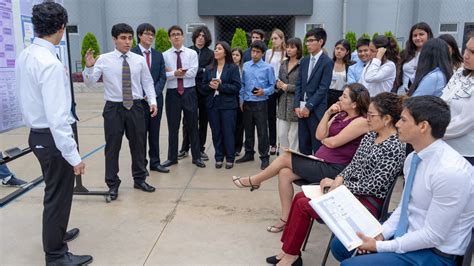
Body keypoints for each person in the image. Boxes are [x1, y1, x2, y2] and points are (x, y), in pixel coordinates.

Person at [264, 92, 405, 266]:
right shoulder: (370, 136)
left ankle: (291, 256)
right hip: (348, 192)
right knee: (300, 197)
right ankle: (287, 251)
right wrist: (339, 178)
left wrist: (341, 184)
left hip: (366, 203)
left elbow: (374, 185)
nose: (367, 118)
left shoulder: (395, 146)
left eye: (371, 115)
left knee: (303, 204)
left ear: (387, 119)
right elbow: (353, 164)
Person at [331, 96, 473, 266]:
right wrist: (381, 234)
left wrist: (381, 246)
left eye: (403, 120)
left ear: (423, 126)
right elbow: (404, 207)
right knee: (341, 245)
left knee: (350, 264)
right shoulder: (414, 158)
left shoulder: (450, 172)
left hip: (435, 253)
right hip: (409, 233)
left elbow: (433, 236)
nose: (397, 124)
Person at [233, 83, 370, 233]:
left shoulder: (361, 121)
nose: (339, 98)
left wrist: (326, 140)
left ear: (355, 104)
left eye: (344, 96)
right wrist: (327, 113)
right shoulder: (340, 114)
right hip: (321, 162)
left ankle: (255, 180)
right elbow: (319, 135)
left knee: (286, 157)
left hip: (335, 169)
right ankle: (285, 219)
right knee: (284, 173)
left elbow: (334, 142)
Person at [17, 2, 92, 264]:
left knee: (56, 193)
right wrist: (74, 157)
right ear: (61, 28)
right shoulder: (49, 62)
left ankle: (56, 235)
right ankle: (56, 255)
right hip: (52, 137)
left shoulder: (27, 54)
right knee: (57, 197)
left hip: (38, 134)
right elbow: (58, 118)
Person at [84, 23, 158, 199]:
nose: (127, 42)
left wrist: (153, 101)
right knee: (112, 147)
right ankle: (112, 183)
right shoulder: (104, 59)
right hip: (114, 108)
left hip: (136, 106)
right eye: (123, 38)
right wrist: (89, 67)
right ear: (114, 39)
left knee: (139, 144)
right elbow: (90, 83)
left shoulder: (138, 59)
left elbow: (147, 82)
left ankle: (139, 179)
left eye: (130, 38)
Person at [161, 25, 206, 168]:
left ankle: (197, 157)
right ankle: (171, 158)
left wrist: (174, 72)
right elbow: (163, 75)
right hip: (173, 94)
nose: (176, 36)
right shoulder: (164, 55)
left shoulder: (191, 53)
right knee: (173, 127)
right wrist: (174, 73)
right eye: (173, 34)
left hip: (189, 92)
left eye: (178, 34)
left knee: (192, 125)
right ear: (169, 38)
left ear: (183, 36)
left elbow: (194, 72)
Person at [131, 23, 169, 173]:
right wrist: (143, 93)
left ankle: (155, 162)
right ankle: (142, 165)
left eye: (152, 34)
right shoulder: (132, 53)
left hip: (156, 99)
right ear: (139, 35)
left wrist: (153, 93)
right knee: (140, 134)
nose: (150, 37)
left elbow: (162, 77)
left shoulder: (158, 55)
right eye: (147, 34)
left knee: (154, 132)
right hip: (138, 101)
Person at [235, 40, 275, 170]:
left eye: (258, 52)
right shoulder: (245, 65)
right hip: (247, 103)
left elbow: (272, 86)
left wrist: (264, 91)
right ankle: (249, 153)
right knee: (248, 129)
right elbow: (242, 84)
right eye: (253, 51)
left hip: (261, 103)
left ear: (263, 53)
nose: (255, 54)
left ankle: (264, 157)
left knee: (262, 131)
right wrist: (241, 100)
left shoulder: (268, 68)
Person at [294, 27, 334, 155]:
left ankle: (316, 172)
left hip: (316, 110)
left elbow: (323, 88)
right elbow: (299, 84)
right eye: (307, 41)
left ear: (320, 41)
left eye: (311, 41)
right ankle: (304, 172)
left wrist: (309, 106)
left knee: (317, 143)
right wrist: (296, 105)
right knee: (303, 143)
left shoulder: (327, 62)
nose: (308, 44)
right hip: (301, 109)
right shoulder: (304, 61)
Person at [202, 41, 241, 169]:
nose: (216, 51)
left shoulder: (233, 67)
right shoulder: (209, 68)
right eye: (215, 49)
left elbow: (236, 87)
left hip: (228, 105)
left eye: (219, 49)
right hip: (213, 105)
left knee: (228, 132)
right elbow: (202, 87)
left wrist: (221, 86)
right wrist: (210, 85)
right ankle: (218, 157)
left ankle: (230, 158)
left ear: (225, 52)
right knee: (216, 132)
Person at [178, 26, 214, 161]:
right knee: (187, 120)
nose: (200, 38)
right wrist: (201, 70)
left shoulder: (210, 54)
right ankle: (184, 148)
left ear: (207, 38)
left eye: (203, 36)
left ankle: (200, 149)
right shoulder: (187, 51)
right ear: (194, 37)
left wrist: (195, 70)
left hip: (204, 92)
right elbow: (185, 70)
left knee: (203, 121)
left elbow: (210, 70)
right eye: (198, 35)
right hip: (189, 90)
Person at [441, 33, 474, 165]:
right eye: (466, 49)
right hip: (444, 145)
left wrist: (432, 131)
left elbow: (465, 123)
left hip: (464, 153)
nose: (466, 55)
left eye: (473, 52)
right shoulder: (460, 73)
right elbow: (443, 101)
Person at [275, 37, 302, 151]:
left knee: (294, 137)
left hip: (295, 103)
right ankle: (283, 160)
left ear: (298, 49)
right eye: (287, 47)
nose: (289, 49)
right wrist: (278, 84)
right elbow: (279, 79)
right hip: (282, 103)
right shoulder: (283, 63)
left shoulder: (302, 64)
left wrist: (288, 87)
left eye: (292, 47)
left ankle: (293, 162)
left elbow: (303, 86)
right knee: (281, 134)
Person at [394, 22, 433, 95]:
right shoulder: (405, 53)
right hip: (402, 94)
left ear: (428, 35)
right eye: (415, 35)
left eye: (421, 34)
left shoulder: (433, 54)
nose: (418, 38)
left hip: (421, 94)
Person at [266, 29, 286, 155]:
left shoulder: (286, 53)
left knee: (282, 118)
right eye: (272, 39)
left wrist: (281, 84)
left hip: (283, 87)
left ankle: (281, 144)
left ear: (282, 39)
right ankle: (272, 143)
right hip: (272, 87)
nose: (274, 41)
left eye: (276, 38)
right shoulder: (268, 53)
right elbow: (267, 70)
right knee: (271, 117)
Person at [328, 39, 353, 107]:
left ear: (347, 52)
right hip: (328, 95)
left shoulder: (351, 65)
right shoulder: (328, 63)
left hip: (342, 96)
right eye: (337, 48)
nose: (339, 51)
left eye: (342, 49)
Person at [232, 47, 245, 156]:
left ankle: (238, 147)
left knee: (239, 125)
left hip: (240, 99)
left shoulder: (243, 69)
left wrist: (242, 100)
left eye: (237, 55)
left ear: (241, 58)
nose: (235, 57)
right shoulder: (228, 67)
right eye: (233, 54)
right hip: (230, 98)